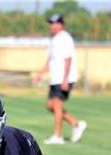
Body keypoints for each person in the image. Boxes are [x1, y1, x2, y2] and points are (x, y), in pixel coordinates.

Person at [33, 13, 87, 145]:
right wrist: (40, 73)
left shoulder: (65, 38)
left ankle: (58, 136)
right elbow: (50, 60)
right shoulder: (52, 39)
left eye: (55, 23)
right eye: (51, 23)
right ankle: (76, 123)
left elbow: (68, 59)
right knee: (50, 106)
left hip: (64, 78)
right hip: (55, 79)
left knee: (57, 106)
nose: (52, 26)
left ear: (61, 24)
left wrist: (65, 79)